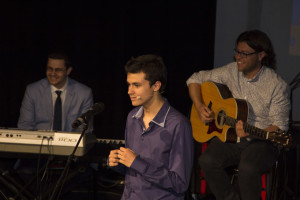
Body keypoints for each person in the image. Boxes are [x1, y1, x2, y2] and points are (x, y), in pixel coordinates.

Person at [186, 30, 290, 200]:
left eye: (244, 54)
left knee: (248, 167)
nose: (238, 57)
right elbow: (194, 79)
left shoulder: (277, 85)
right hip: (233, 136)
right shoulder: (230, 71)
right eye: (237, 52)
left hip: (263, 141)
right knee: (207, 160)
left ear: (261, 55)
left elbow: (280, 126)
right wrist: (199, 106)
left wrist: (251, 132)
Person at [108, 54, 194, 200]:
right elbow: (133, 170)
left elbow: (180, 183)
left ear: (156, 86)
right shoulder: (132, 117)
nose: (130, 91)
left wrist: (137, 163)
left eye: (137, 85)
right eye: (129, 84)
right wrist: (117, 162)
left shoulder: (178, 124)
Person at [18, 52, 93, 132]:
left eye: (58, 70)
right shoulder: (33, 91)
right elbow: (25, 125)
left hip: (70, 143)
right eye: (49, 69)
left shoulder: (84, 93)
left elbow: (85, 130)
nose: (52, 73)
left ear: (68, 71)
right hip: (39, 142)